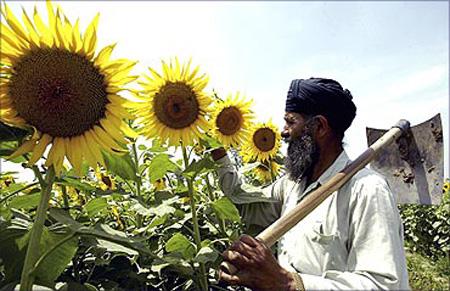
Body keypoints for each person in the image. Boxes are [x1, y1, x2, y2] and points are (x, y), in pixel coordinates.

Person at [211, 78, 410, 291]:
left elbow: (384, 285)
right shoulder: (292, 186)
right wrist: (217, 152)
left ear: (320, 127)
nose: (283, 131)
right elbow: (241, 201)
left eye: (291, 121)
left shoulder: (366, 190)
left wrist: (287, 283)